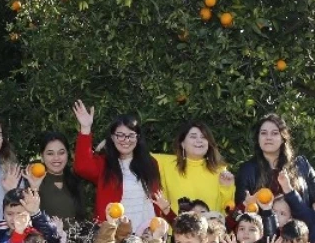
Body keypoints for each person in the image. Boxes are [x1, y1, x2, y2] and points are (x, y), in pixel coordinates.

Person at [72, 100, 161, 233]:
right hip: (115, 234)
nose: (125, 140)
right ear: (112, 138)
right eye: (120, 135)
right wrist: (85, 129)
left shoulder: (150, 163)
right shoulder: (105, 164)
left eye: (131, 135)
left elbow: (156, 199)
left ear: (138, 138)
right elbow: (82, 167)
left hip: (146, 231)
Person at [234, 113, 315, 208]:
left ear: (283, 138)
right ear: (258, 138)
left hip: (301, 222)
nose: (268, 138)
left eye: (274, 133)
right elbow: (238, 214)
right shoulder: (247, 170)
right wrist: (246, 205)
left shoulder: (302, 165)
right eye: (263, 133)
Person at [152, 122, 235, 216]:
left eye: (203, 137)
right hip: (177, 229)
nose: (199, 140)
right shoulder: (165, 164)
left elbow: (227, 211)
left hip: (210, 230)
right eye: (193, 136)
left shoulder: (220, 171)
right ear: (182, 143)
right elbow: (138, 152)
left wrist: (227, 188)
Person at [29, 131, 88, 224]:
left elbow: (81, 219)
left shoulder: (76, 182)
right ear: (42, 157)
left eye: (61, 153)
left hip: (74, 237)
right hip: (43, 237)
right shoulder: (33, 181)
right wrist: (34, 189)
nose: (56, 158)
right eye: (50, 153)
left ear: (67, 154)